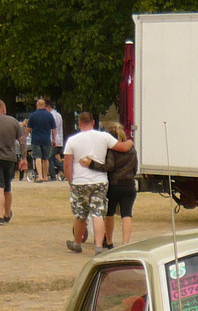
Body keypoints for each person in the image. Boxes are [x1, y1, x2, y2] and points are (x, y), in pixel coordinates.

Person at [62, 111, 134, 253]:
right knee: (98, 213)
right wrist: (130, 141)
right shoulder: (104, 137)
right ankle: (99, 246)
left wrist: (71, 182)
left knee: (80, 214)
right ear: (93, 122)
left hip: (80, 181)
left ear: (80, 124)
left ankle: (77, 243)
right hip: (99, 180)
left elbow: (67, 165)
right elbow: (123, 148)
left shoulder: (72, 140)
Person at [100, 121, 138, 249]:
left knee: (109, 213)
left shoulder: (111, 150)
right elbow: (135, 168)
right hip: (129, 185)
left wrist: (94, 165)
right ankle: (126, 243)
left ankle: (109, 241)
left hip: (114, 185)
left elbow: (110, 167)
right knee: (127, 214)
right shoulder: (132, 150)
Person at [25, 97, 57, 182]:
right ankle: (46, 176)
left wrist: (24, 137)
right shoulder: (49, 115)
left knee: (37, 157)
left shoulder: (33, 115)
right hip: (46, 139)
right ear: (45, 105)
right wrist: (54, 139)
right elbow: (54, 129)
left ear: (37, 105)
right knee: (46, 158)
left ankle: (40, 176)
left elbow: (28, 128)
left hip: (36, 139)